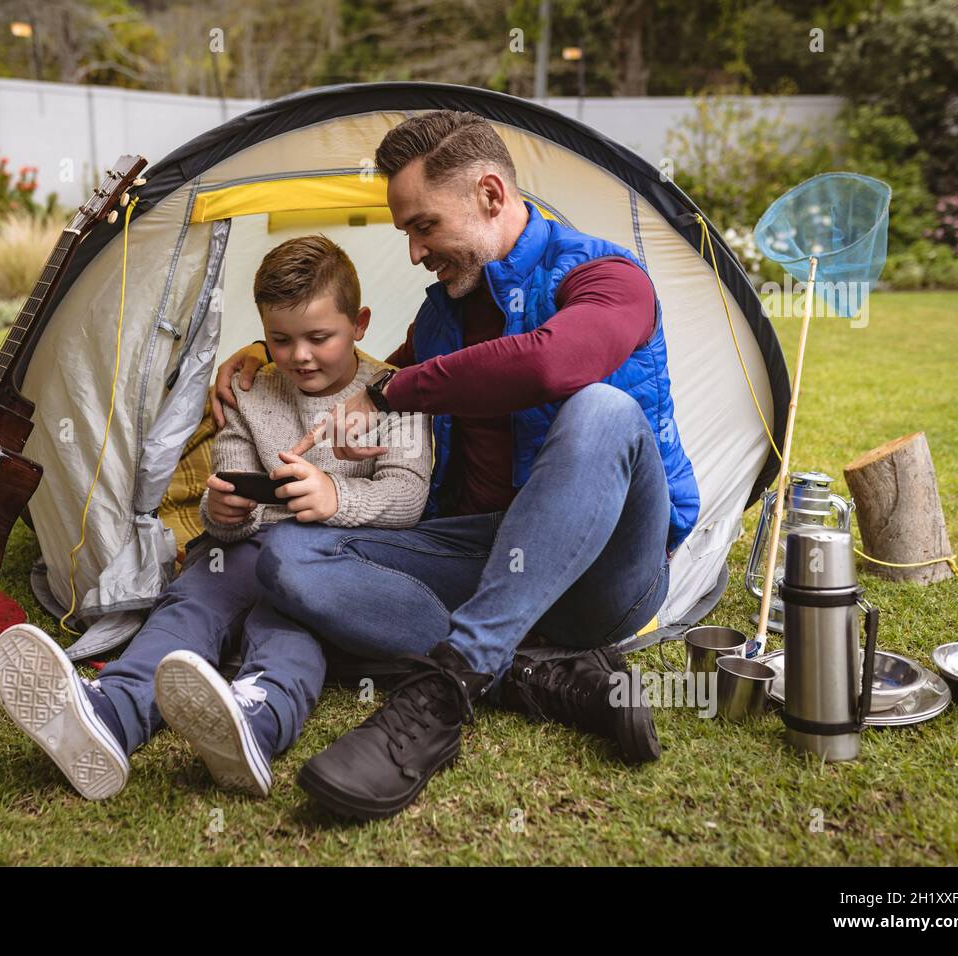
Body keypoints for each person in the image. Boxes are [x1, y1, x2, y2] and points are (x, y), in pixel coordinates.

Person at [212, 111, 701, 821]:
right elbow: (373, 368)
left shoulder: (608, 278)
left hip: (606, 571)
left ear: (492, 195)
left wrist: (395, 389)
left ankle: (447, 689)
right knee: (286, 554)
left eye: (423, 226)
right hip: (485, 548)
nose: (414, 251)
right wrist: (261, 354)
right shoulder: (442, 315)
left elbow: (551, 362)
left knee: (601, 410)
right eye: (406, 232)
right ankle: (532, 675)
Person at [0, 235, 431, 801]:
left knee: (288, 629)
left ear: (361, 323)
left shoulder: (395, 396)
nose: (299, 356)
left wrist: (336, 501)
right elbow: (226, 484)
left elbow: (409, 496)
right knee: (191, 604)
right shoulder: (250, 391)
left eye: (319, 338)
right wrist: (222, 513)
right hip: (245, 550)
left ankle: (257, 718)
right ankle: (111, 713)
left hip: (333, 564)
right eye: (280, 339)